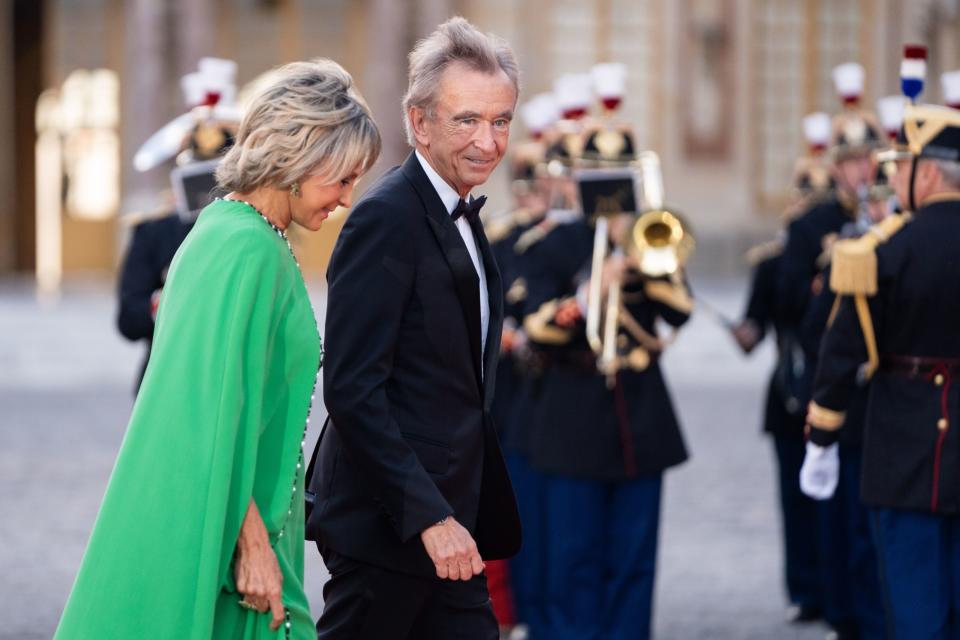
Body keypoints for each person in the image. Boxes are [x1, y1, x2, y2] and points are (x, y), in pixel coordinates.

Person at [54, 58, 380, 640]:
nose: (347, 199)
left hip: (245, 530)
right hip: (229, 547)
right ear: (303, 157)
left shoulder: (248, 236)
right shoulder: (241, 246)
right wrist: (252, 547)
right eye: (344, 177)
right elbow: (204, 416)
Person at [307, 17, 521, 640]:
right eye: (467, 120)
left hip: (451, 520)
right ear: (419, 122)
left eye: (501, 120)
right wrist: (428, 517)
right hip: (391, 528)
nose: (488, 141)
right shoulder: (386, 219)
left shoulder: (461, 211)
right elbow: (352, 389)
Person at [801, 102, 960, 639]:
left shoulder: (879, 251)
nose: (890, 177)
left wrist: (822, 439)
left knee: (915, 611)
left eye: (900, 166)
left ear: (929, 173)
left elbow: (840, 354)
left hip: (903, 454)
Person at [117, 57, 240, 393]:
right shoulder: (154, 232)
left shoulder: (255, 228)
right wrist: (170, 300)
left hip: (232, 379)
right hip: (165, 379)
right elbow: (129, 318)